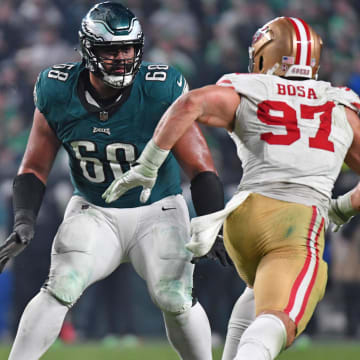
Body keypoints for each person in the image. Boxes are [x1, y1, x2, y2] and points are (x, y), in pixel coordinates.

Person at [101, 16, 360, 359]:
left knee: (257, 298)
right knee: (275, 322)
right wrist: (341, 207)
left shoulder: (249, 88)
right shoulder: (337, 104)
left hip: (242, 216)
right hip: (296, 223)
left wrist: (148, 164)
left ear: (266, 53)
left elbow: (189, 103)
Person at [0, 2, 229, 359]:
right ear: (89, 50)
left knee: (173, 295)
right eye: (111, 50)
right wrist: (24, 218)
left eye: (128, 49)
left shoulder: (159, 89)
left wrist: (211, 221)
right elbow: (33, 168)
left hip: (158, 210)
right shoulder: (56, 90)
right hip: (95, 211)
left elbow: (201, 168)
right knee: (60, 286)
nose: (121, 58)